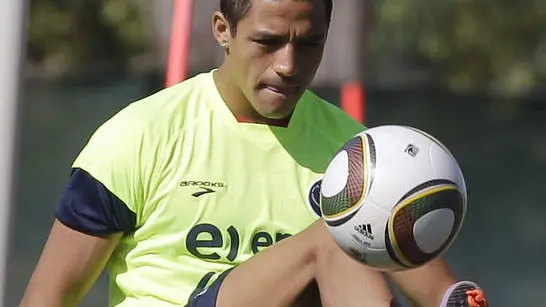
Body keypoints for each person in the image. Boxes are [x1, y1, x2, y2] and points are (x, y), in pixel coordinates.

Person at [20, 0, 489, 306]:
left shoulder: (354, 151)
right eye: (267, 42)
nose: (288, 65)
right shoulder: (141, 135)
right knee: (337, 237)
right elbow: (48, 296)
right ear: (223, 30)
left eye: (309, 44)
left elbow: (440, 292)